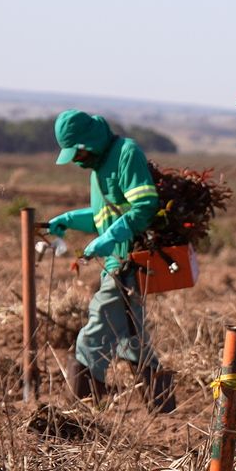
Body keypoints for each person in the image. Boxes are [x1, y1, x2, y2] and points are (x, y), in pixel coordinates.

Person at [46, 110, 176, 413]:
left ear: (89, 141)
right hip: (114, 261)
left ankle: (78, 413)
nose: (77, 160)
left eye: (78, 152)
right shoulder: (97, 168)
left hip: (128, 262)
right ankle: (165, 413)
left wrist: (110, 238)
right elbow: (103, 218)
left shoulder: (125, 154)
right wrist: (69, 219)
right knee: (133, 341)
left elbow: (144, 205)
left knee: (94, 333)